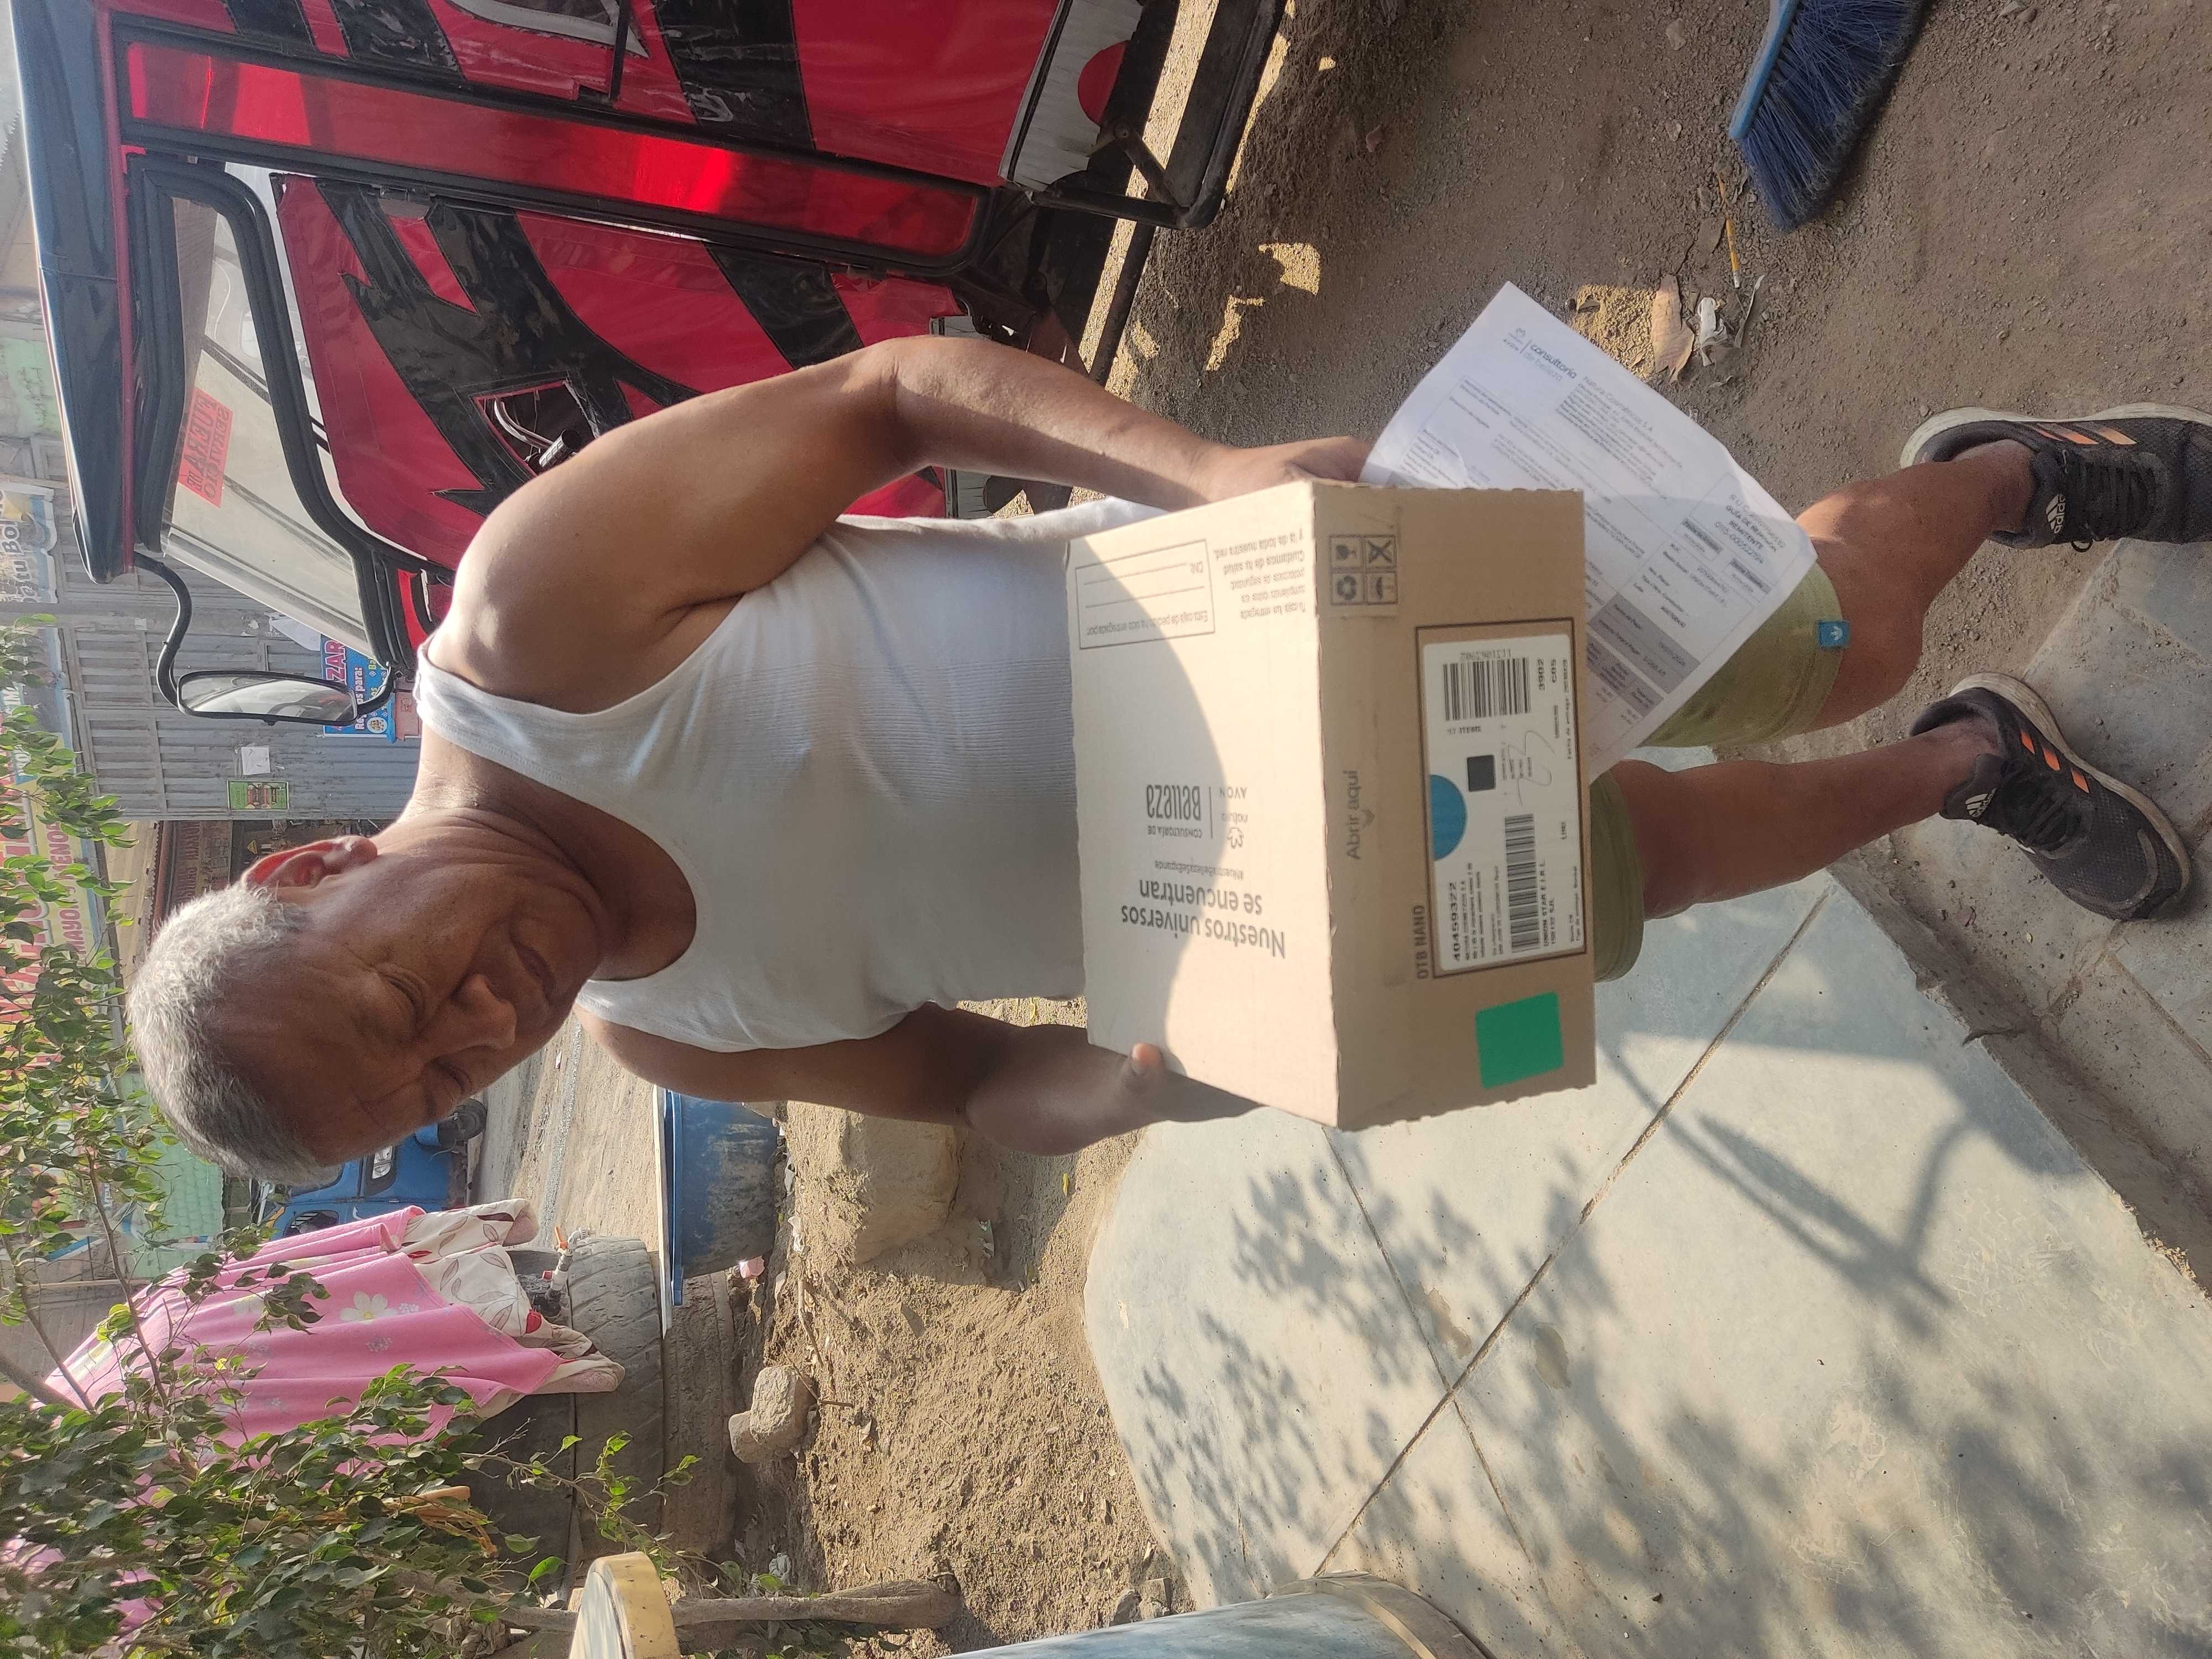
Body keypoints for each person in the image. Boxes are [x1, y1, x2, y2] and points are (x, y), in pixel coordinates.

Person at [127, 336, 2205, 1178]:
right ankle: (1976, 763)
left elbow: (888, 396)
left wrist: (1200, 468)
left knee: (1817, 646)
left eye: (402, 1000)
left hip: (1332, 604)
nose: (482, 1023)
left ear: (310, 873)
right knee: (1650, 869)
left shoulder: (540, 632)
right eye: (444, 1082)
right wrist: (1146, 1084)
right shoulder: (680, 1034)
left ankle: (2016, 473)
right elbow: (970, 1085)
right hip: (1339, 900)